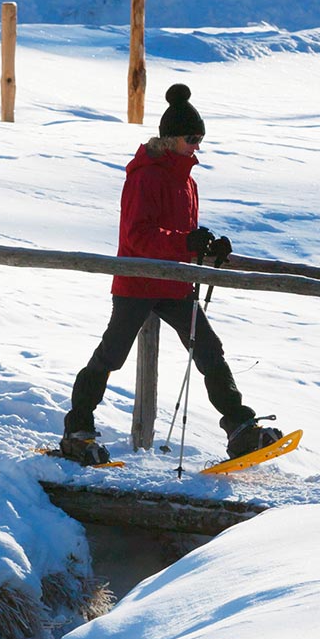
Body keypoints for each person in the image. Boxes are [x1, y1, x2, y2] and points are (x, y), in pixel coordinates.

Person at [60, 83, 283, 466]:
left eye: (200, 138)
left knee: (210, 350)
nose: (197, 145)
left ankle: (240, 429)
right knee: (111, 355)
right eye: (191, 138)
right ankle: (77, 429)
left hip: (174, 282)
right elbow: (138, 235)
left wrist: (207, 247)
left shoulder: (187, 181)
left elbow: (179, 235)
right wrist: (186, 243)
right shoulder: (145, 176)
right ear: (169, 139)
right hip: (137, 280)